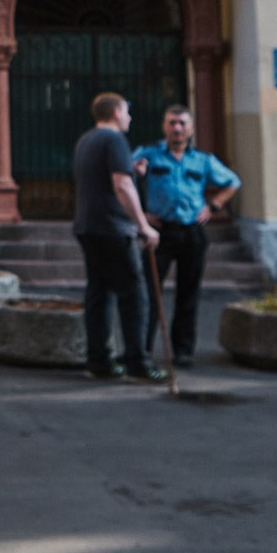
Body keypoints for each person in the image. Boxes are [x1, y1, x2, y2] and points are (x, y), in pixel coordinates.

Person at [134, 104, 241, 369]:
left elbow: (232, 182)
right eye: (172, 123)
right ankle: (142, 350)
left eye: (182, 123)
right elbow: (121, 177)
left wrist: (213, 206)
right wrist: (141, 213)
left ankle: (183, 351)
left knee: (188, 294)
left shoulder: (203, 160)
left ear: (191, 128)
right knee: (148, 292)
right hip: (159, 233)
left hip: (191, 233)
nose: (177, 128)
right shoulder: (148, 155)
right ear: (164, 126)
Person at [71, 92, 162, 382]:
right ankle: (137, 361)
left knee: (99, 292)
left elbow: (110, 177)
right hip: (113, 228)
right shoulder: (115, 141)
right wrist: (142, 226)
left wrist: (133, 172)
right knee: (134, 294)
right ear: (116, 113)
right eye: (127, 112)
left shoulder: (87, 140)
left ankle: (98, 360)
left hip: (88, 225)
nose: (130, 118)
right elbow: (121, 185)